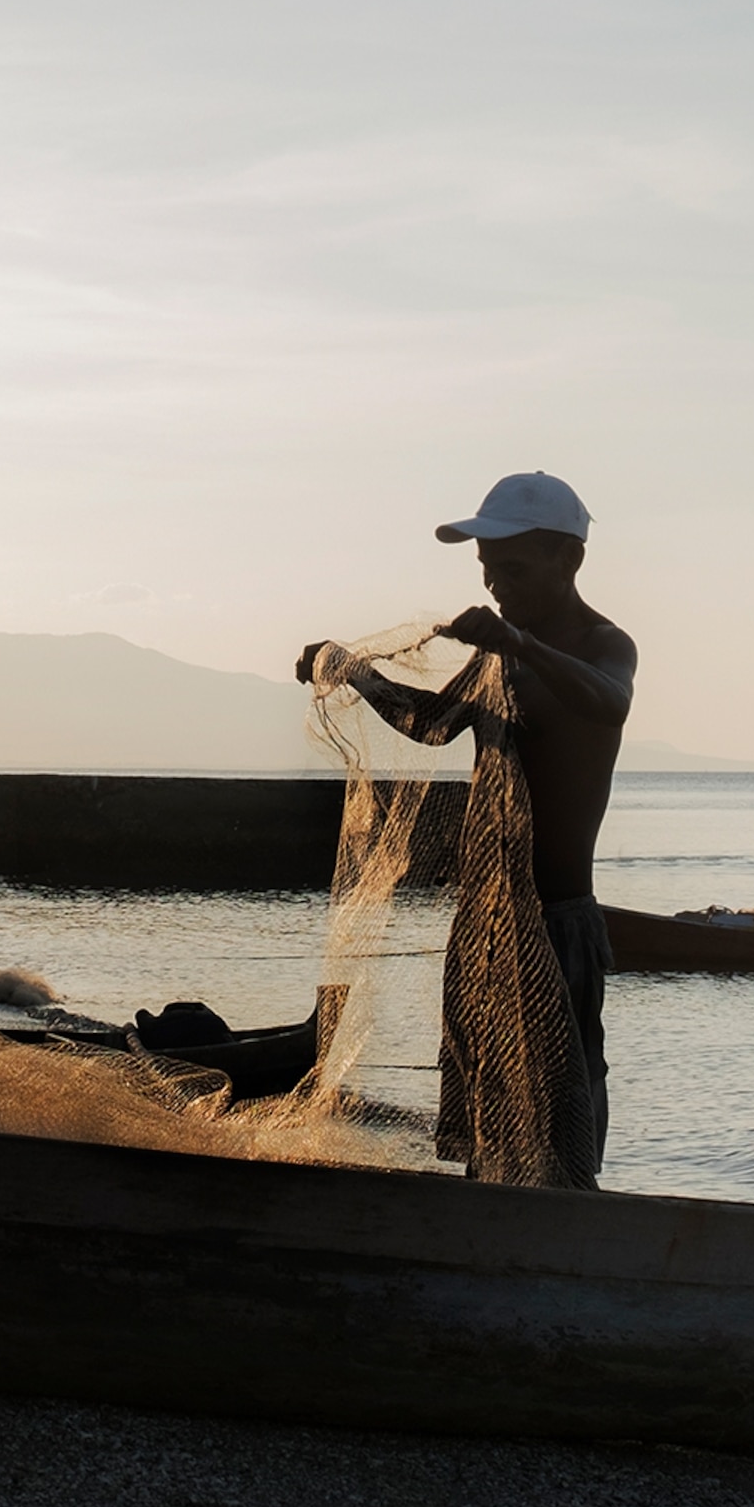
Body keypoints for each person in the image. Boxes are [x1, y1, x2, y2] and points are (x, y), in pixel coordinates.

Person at [297, 471, 636, 1185]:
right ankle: (501, 1223)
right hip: (488, 922)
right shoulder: (497, 655)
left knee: (567, 1091)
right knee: (493, 1097)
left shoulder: (605, 645)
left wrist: (523, 643)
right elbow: (433, 724)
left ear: (567, 561)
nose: (496, 586)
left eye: (512, 569)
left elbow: (607, 703)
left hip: (558, 922)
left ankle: (582, 1220)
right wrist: (353, 672)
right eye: (488, 572)